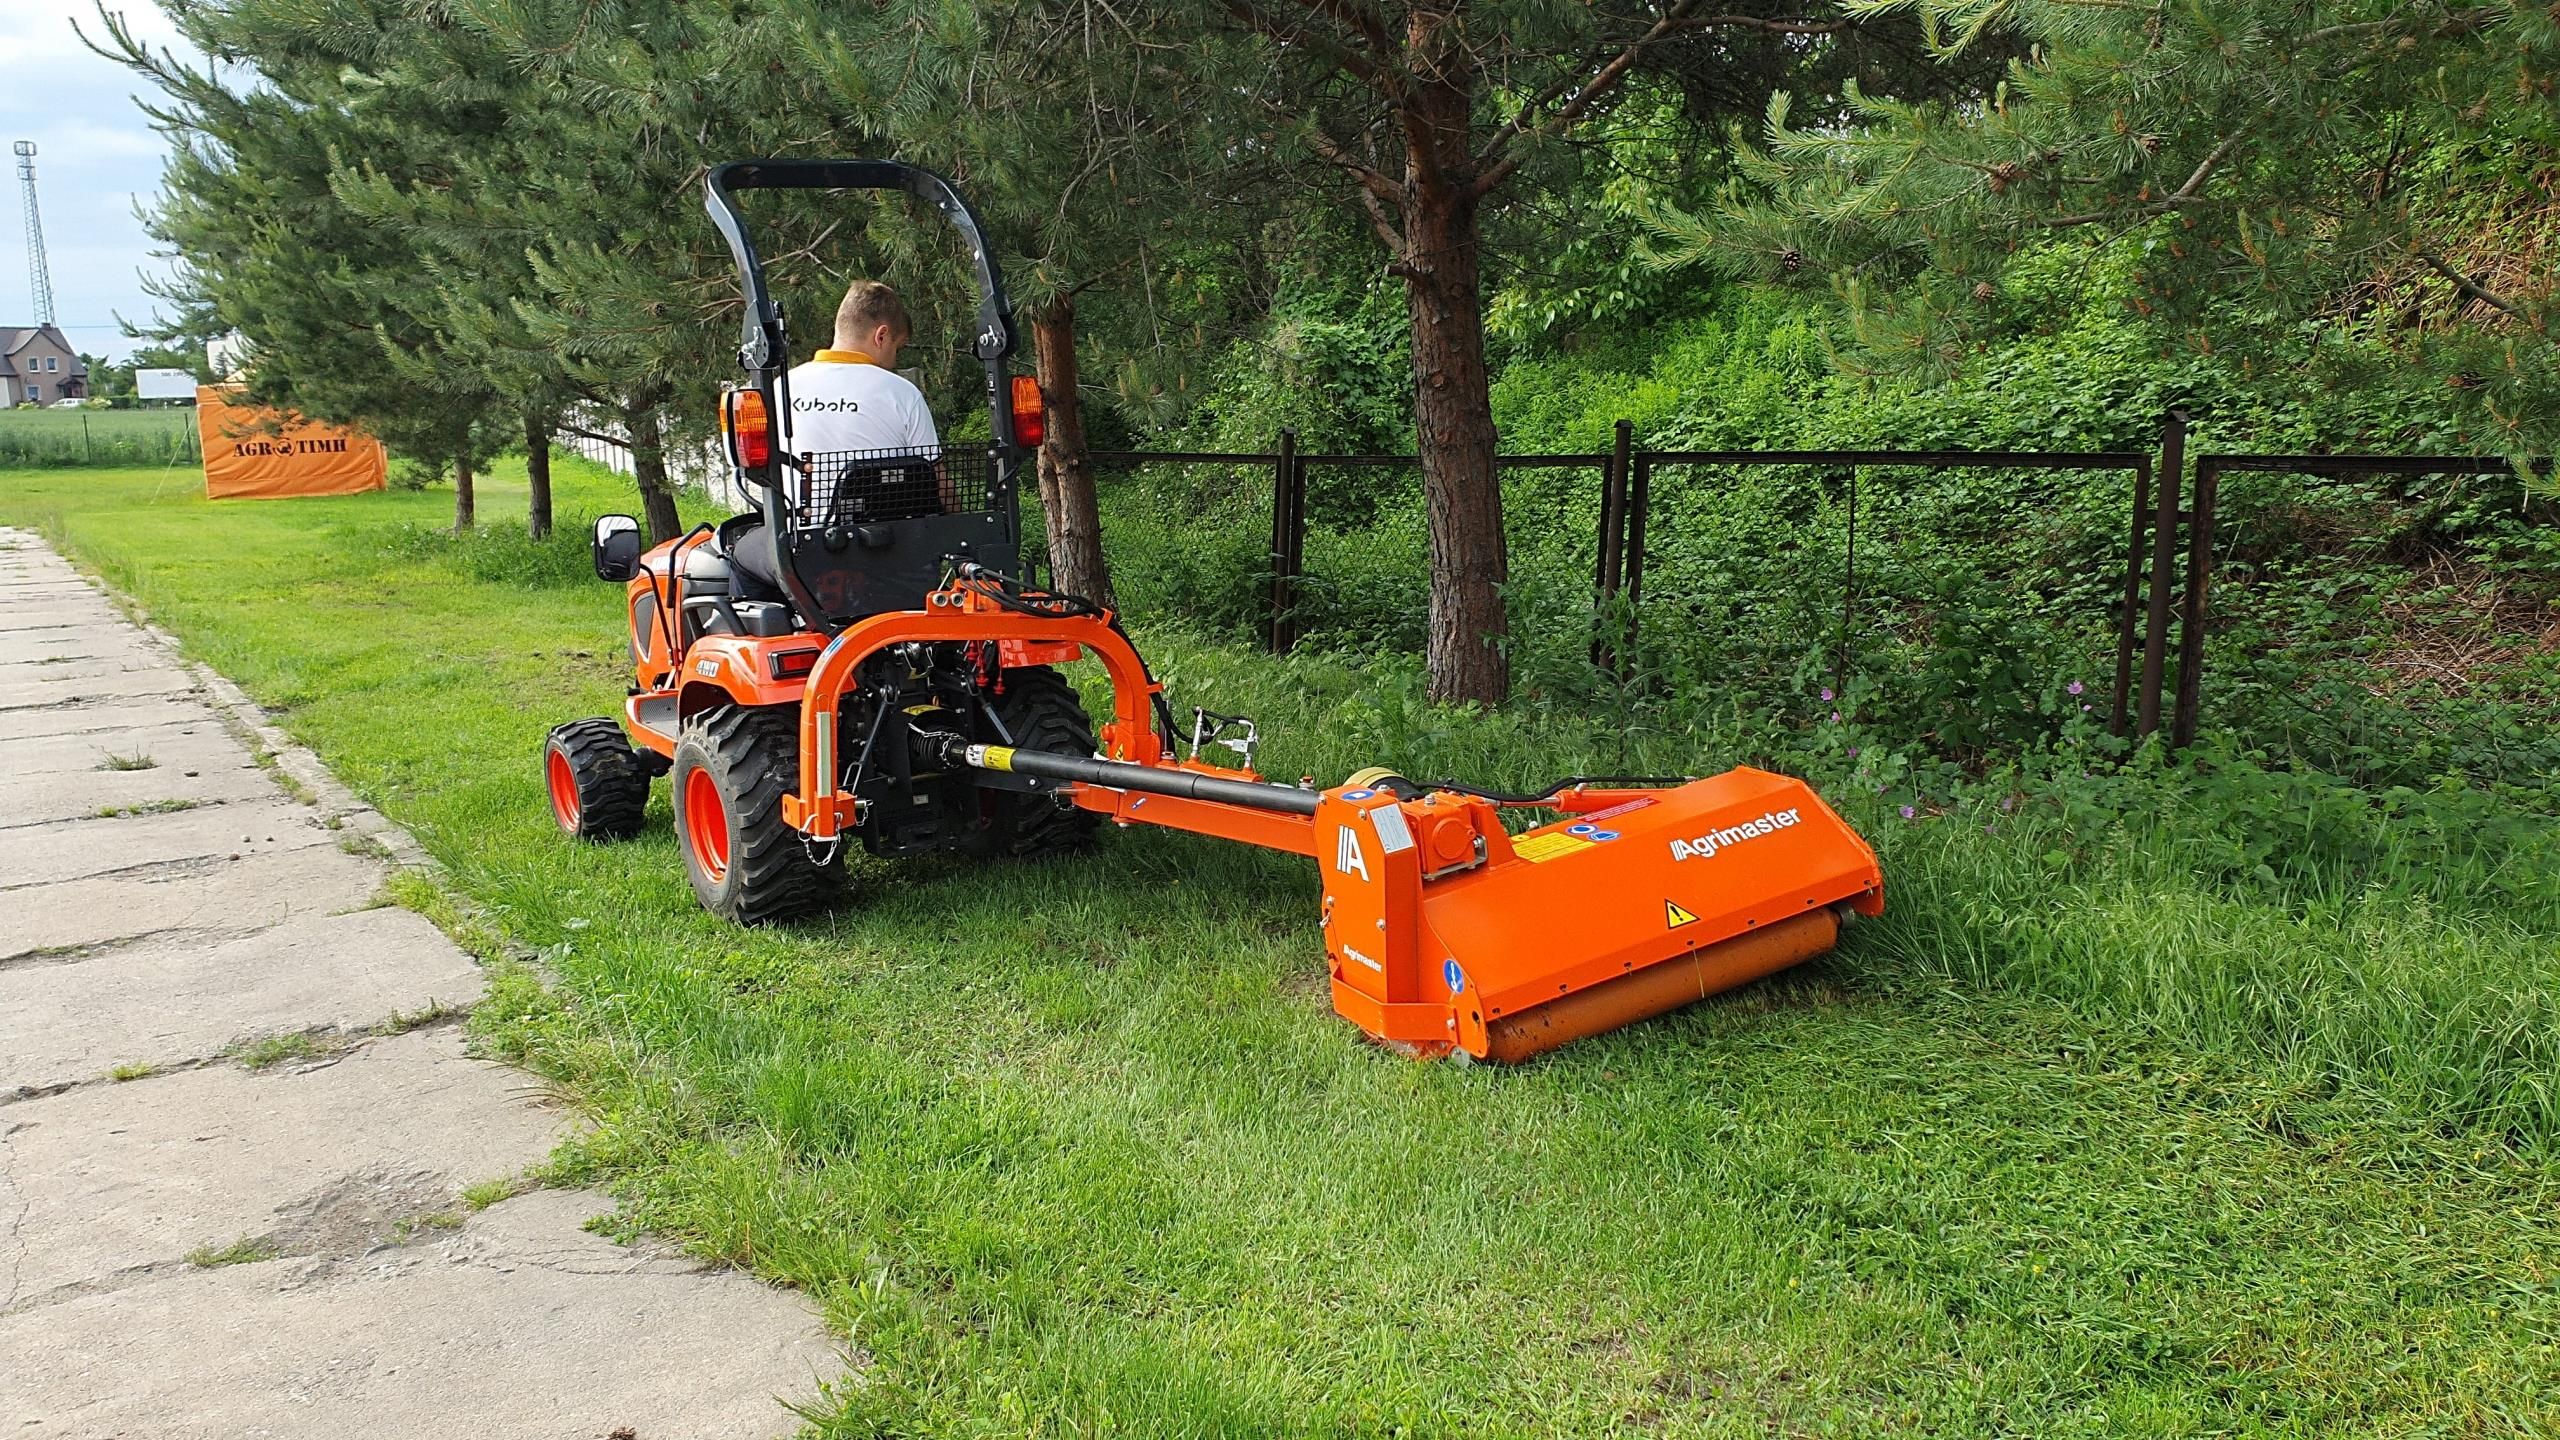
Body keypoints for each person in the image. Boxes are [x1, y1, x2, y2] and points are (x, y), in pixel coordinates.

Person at [782, 279, 940, 459]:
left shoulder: (779, 389)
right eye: (897, 348)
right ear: (881, 336)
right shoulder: (902, 394)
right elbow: (937, 481)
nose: (895, 360)